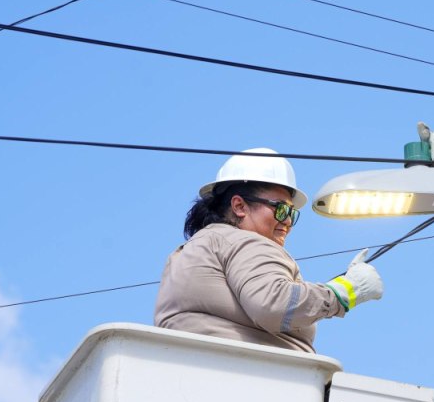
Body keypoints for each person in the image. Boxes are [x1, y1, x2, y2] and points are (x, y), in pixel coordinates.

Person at [155, 148, 382, 353]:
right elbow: (273, 305)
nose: (288, 222)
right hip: (257, 379)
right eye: (281, 209)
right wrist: (344, 291)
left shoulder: (188, 251)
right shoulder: (245, 241)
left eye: (292, 213)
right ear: (239, 206)